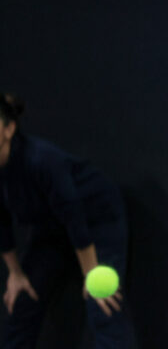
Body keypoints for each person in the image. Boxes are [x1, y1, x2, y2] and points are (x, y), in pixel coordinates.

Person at [0, 93, 132, 348]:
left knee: (101, 304)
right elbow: (1, 223)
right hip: (51, 230)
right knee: (23, 299)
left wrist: (91, 272)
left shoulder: (42, 160)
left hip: (97, 221)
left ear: (9, 129)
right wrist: (15, 273)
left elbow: (75, 218)